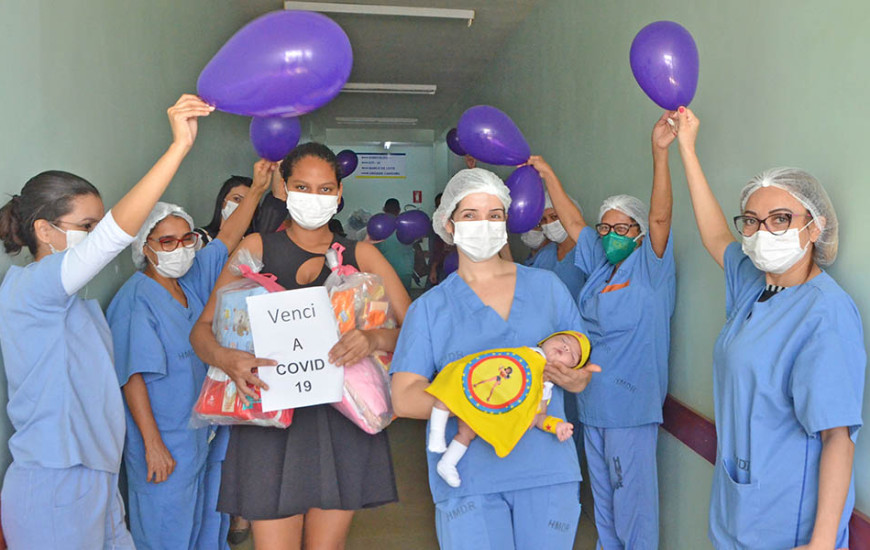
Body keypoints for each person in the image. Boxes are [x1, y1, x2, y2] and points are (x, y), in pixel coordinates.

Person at [0, 94, 212, 549]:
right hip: (54, 483)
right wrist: (177, 148)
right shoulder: (30, 288)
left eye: (99, 225)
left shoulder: (75, 305)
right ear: (44, 231)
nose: (97, 236)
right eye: (87, 226)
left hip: (95, 476)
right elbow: (114, 238)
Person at [190, 142, 412, 550]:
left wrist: (374, 338)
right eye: (302, 187)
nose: (314, 197)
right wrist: (226, 358)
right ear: (285, 189)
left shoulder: (362, 256)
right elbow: (202, 330)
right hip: (267, 423)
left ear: (340, 193)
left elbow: (418, 334)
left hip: (343, 424)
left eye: (325, 189)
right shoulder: (256, 250)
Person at [674, 107, 865, 549]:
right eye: (752, 221)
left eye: (780, 219)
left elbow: (838, 439)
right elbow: (715, 236)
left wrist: (820, 544)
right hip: (738, 510)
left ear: (814, 227)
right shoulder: (755, 284)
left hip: (788, 525)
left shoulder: (826, 314)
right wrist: (686, 148)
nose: (763, 232)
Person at [390, 168, 598, 550]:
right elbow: (404, 396)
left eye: (494, 215)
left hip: (546, 470)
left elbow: (581, 364)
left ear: (506, 223)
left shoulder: (547, 288)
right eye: (470, 215)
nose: (483, 225)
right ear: (449, 224)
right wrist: (478, 399)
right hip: (469, 477)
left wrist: (578, 379)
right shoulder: (430, 309)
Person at [526, 111, 677, 549]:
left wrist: (660, 154)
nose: (611, 234)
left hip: (631, 409)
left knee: (633, 505)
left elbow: (661, 218)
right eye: (606, 227)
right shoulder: (599, 267)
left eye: (622, 227)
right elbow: (574, 224)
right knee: (605, 505)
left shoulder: (650, 268)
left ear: (638, 232)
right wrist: (548, 174)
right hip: (592, 405)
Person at [106, 161, 272, 550]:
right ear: (144, 246)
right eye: (167, 242)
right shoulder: (135, 300)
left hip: (200, 433)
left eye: (186, 239)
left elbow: (227, 236)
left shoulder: (190, 282)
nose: (179, 248)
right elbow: (131, 378)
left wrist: (258, 190)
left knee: (205, 523)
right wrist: (153, 445)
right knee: (167, 530)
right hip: (165, 440)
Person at [427, 330, 593, 488]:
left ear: (569, 370)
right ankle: (436, 434)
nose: (566, 347)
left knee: (467, 433)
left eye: (572, 355)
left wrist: (556, 425)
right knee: (449, 389)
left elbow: (538, 417)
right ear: (544, 341)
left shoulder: (544, 385)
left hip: (488, 408)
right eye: (563, 340)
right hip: (477, 383)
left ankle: (447, 463)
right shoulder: (523, 353)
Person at [529, 193, 586, 298]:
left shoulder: (586, 254)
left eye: (554, 217)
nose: (549, 223)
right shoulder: (544, 254)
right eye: (544, 219)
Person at [194, 175, 254, 245]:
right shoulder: (199, 238)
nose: (242, 206)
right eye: (237, 199)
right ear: (223, 201)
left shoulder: (252, 242)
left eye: (247, 202)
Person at [374, 198, 415, 290]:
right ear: (399, 210)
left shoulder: (378, 227)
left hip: (386, 272)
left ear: (384, 209)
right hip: (405, 271)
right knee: (404, 297)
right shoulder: (407, 226)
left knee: (386, 297)